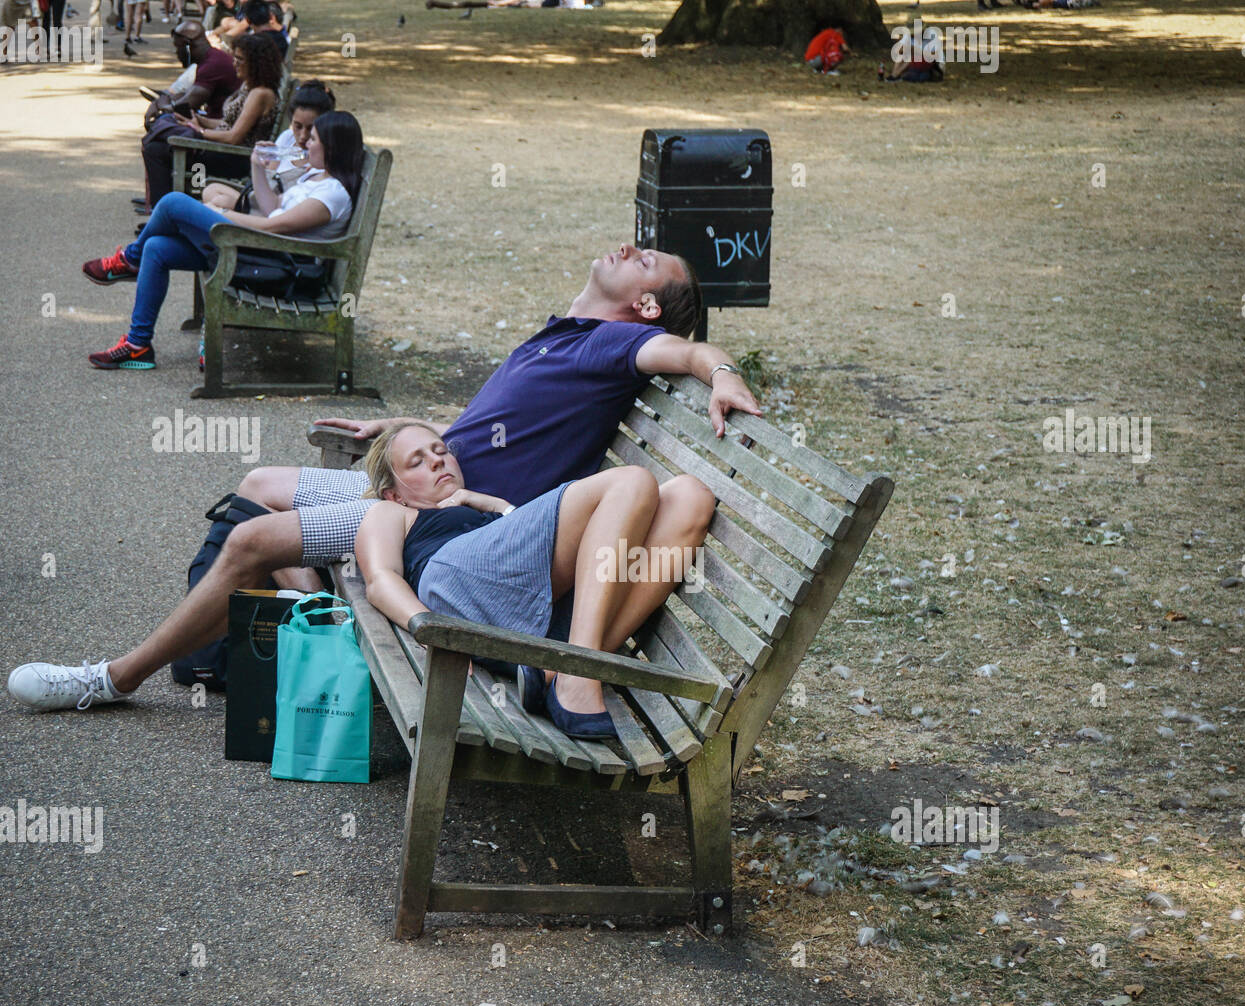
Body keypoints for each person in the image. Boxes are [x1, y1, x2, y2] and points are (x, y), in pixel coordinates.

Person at [8, 243, 760, 714]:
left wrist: (721, 371)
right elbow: (495, 422)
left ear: (648, 304)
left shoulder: (614, 346)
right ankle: (238, 652)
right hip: (423, 484)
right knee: (262, 481)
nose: (631, 246)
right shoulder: (568, 334)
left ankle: (115, 678)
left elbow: (688, 355)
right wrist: (407, 433)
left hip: (447, 521)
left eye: (648, 260)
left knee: (256, 535)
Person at [355, 423, 673, 738]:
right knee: (631, 480)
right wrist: (426, 628)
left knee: (689, 495)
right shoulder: (390, 513)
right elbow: (381, 579)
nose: (438, 460)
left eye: (440, 451)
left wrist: (493, 504)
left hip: (546, 619)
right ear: (394, 495)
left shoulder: (487, 510)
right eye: (417, 461)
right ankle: (581, 671)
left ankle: (555, 671)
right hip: (454, 586)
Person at [81, 109, 361, 371]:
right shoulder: (315, 177)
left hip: (275, 263)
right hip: (259, 251)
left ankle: (129, 260)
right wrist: (257, 167)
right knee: (157, 249)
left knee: (173, 203)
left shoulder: (332, 194)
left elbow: (274, 226)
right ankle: (137, 345)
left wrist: (223, 214)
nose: (305, 143)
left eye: (313, 139)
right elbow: (273, 208)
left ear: (332, 148)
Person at [138, 19, 239, 208]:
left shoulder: (212, 64)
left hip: (225, 149)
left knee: (157, 147)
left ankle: (162, 209)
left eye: (178, 49)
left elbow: (188, 102)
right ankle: (160, 204)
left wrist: (162, 105)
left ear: (188, 46)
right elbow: (187, 97)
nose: (177, 54)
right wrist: (164, 100)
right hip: (216, 130)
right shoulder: (211, 59)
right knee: (159, 142)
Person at [200, 79, 334, 212]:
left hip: (279, 209)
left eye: (310, 129)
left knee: (219, 202)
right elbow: (268, 179)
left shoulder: (320, 158)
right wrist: (260, 162)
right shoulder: (287, 137)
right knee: (210, 190)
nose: (303, 136)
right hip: (262, 198)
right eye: (297, 126)